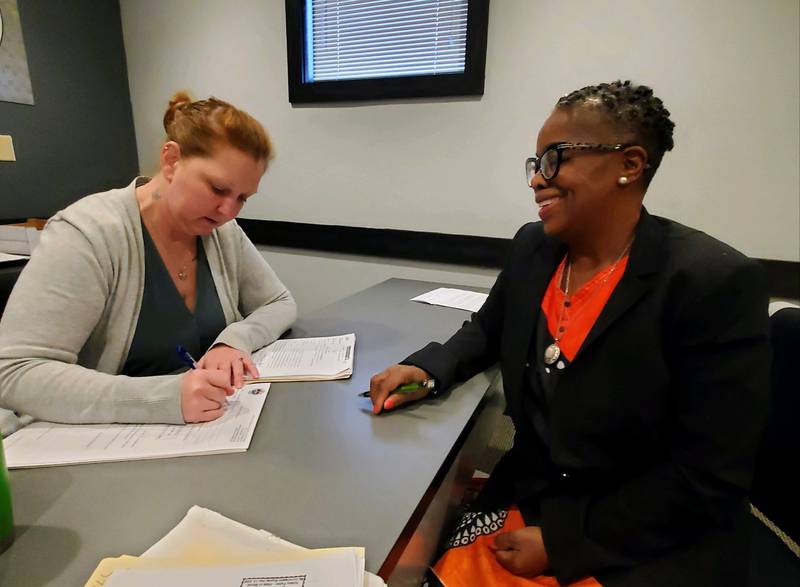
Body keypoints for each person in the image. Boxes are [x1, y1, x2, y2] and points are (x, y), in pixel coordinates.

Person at [369, 81, 770, 586]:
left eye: (555, 158)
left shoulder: (712, 283)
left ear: (630, 164)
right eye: (535, 163)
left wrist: (566, 544)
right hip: (538, 492)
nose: (537, 180)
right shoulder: (535, 247)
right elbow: (487, 329)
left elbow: (710, 476)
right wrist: (428, 369)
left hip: (644, 532)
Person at [0, 92, 297, 436]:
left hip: (194, 435)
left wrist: (233, 340)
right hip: (98, 445)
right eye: (217, 188)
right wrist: (161, 398)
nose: (228, 211)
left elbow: (278, 302)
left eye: (242, 198)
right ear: (171, 161)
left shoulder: (220, 232)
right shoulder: (88, 233)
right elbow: (14, 371)